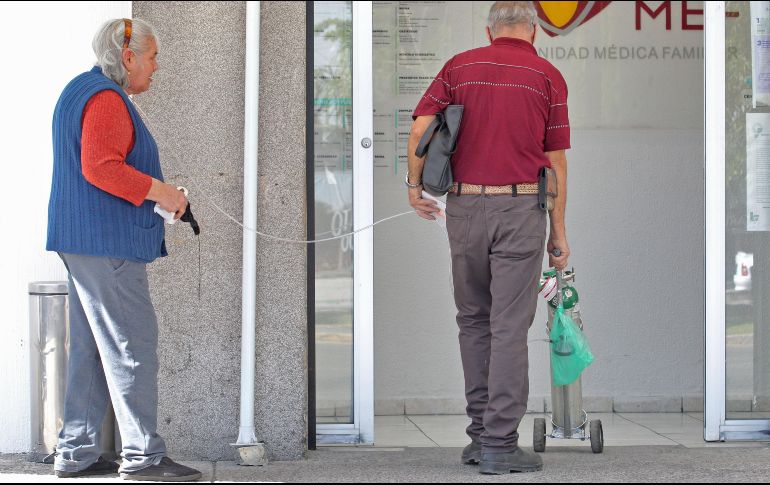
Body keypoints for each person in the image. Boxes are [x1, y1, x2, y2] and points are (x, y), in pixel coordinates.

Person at [406, 1, 570, 475]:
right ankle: (500, 443)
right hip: (519, 210)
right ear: (534, 32)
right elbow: (556, 163)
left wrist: (415, 187)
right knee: (509, 326)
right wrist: (558, 232)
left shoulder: (459, 67)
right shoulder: (547, 76)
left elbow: (420, 128)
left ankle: (480, 438)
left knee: (474, 320)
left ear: (489, 30)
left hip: (464, 207)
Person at [46, 18, 201, 481]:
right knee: (132, 346)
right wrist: (163, 192)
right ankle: (142, 457)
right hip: (107, 244)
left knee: (94, 349)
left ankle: (76, 453)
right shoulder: (106, 99)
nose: (157, 67)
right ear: (128, 57)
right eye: (152, 57)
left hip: (84, 241)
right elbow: (100, 167)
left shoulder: (80, 89)